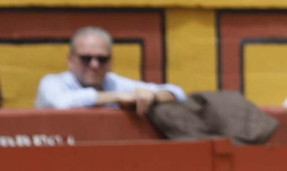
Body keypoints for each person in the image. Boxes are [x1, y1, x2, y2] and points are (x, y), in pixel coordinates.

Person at [34, 26, 184, 114]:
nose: (94, 65)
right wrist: (117, 97)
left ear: (110, 62)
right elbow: (60, 104)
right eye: (86, 58)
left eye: (102, 59)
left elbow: (178, 93)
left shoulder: (113, 82)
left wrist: (153, 96)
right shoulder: (52, 82)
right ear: (70, 60)